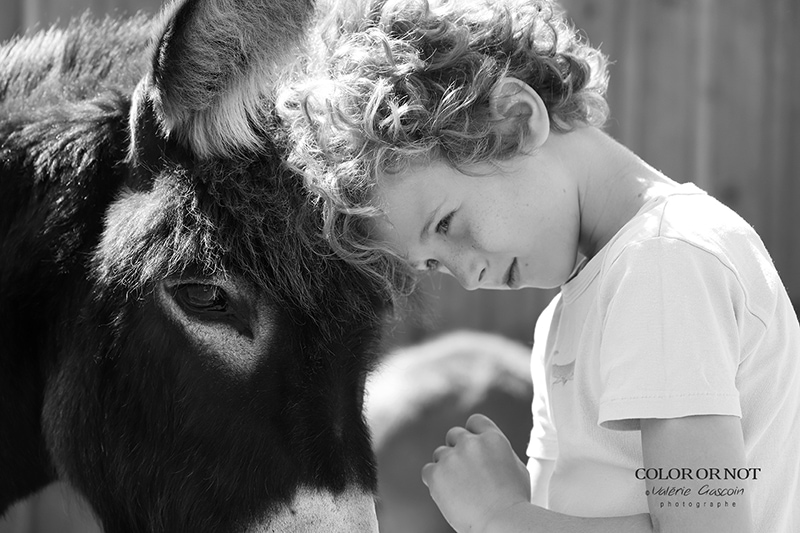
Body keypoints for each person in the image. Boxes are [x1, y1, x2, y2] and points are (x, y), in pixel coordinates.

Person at [277, 0, 800, 531]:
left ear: (516, 122)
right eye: (433, 263)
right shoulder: (582, 301)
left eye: (447, 224)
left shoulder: (665, 263)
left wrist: (502, 517)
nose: (468, 276)